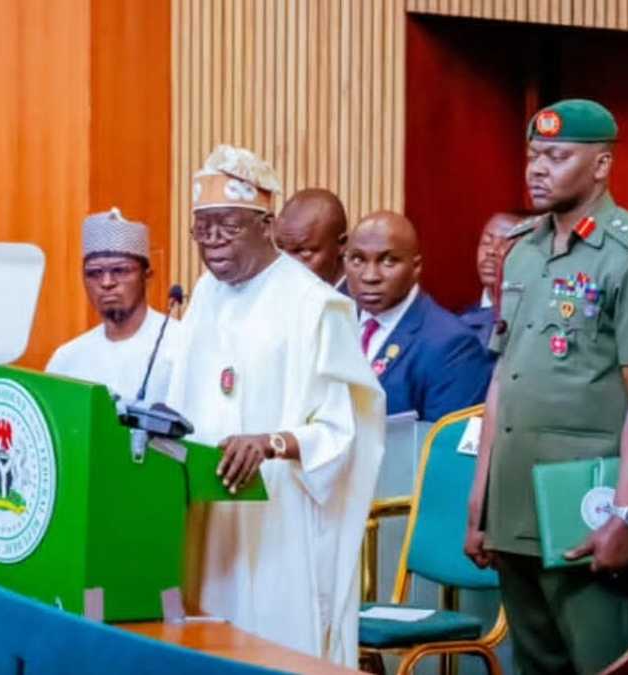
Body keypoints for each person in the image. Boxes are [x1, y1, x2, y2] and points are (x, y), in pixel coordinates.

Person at [465, 100, 628, 675]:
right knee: (533, 665)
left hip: (586, 509)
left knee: (605, 664)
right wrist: (480, 498)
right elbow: (502, 379)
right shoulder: (522, 250)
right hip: (514, 505)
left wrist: (627, 516)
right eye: (533, 155)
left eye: (557, 157)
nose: (538, 168)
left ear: (601, 165)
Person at [164, 144, 384, 667]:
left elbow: (343, 431)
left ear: (266, 226)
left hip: (278, 520)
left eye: (228, 227)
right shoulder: (205, 296)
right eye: (203, 229)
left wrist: (272, 443)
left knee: (273, 651)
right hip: (208, 513)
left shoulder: (314, 305)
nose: (213, 242)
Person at [345, 211, 491, 422]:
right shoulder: (334, 324)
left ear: (416, 267)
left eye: (388, 261)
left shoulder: (452, 344)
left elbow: (445, 439)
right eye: (358, 260)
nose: (370, 276)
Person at [46, 207, 182, 403]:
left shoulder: (179, 345)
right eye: (94, 273)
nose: (107, 282)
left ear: (147, 277)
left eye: (120, 271)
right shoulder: (67, 359)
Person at [459, 212, 521, 349]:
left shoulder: (533, 318)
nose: (491, 251)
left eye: (505, 243)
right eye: (486, 242)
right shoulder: (460, 323)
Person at [272, 187, 349, 288]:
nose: (286, 264)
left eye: (304, 251)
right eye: (280, 249)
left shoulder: (362, 296)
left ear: (342, 245)